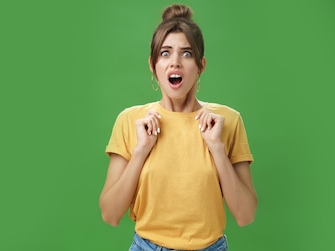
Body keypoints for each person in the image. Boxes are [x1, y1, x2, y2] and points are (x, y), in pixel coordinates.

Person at [98, 4, 257, 251]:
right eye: (165, 53)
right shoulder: (131, 121)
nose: (175, 63)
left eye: (186, 53)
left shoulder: (227, 121)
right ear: (153, 65)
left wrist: (217, 148)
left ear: (201, 65)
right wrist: (141, 151)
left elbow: (245, 215)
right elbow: (110, 214)